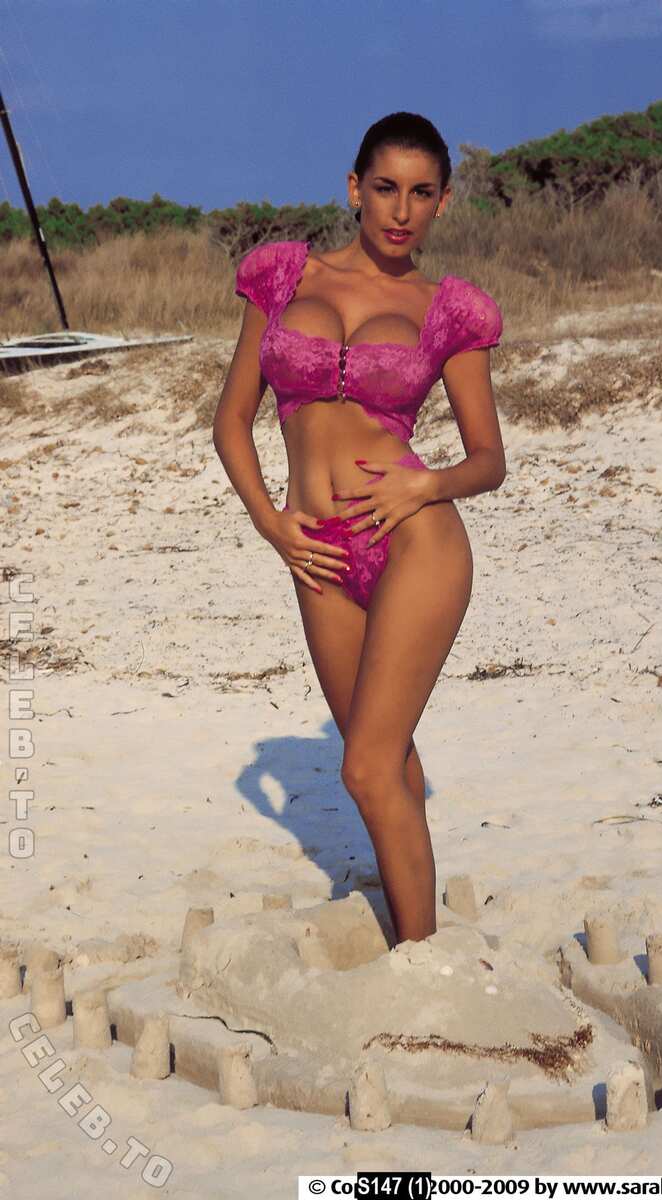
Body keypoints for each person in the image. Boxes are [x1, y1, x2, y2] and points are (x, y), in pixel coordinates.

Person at [213, 111, 505, 946]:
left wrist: (428, 484)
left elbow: (489, 459)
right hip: (315, 551)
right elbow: (232, 421)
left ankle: (421, 962)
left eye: (421, 193)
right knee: (387, 759)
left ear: (443, 202)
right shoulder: (281, 277)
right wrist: (272, 524)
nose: (400, 210)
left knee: (366, 766)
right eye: (385, 188)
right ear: (354, 188)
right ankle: (425, 942)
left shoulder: (448, 311)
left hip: (416, 540)